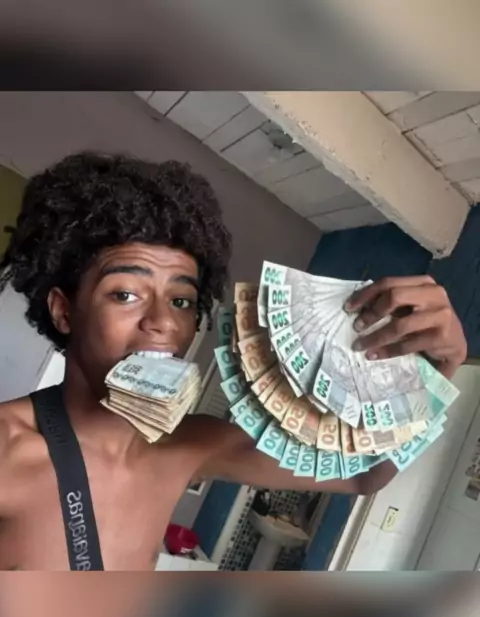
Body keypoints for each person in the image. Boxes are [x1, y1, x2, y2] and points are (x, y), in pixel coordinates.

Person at [0, 152, 467, 570]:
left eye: (181, 301)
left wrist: (438, 370)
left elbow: (363, 475)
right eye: (125, 294)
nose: (162, 322)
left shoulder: (190, 444)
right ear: (64, 311)